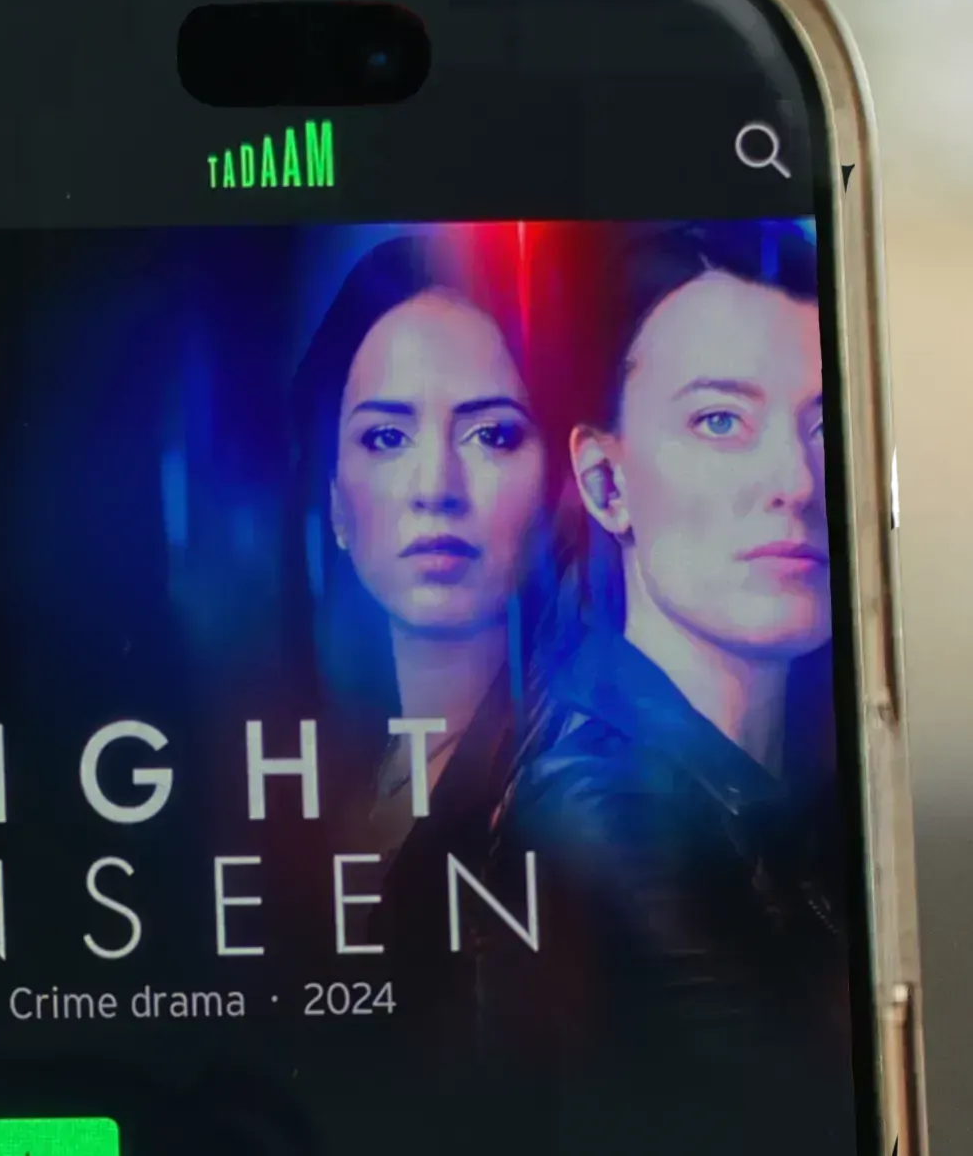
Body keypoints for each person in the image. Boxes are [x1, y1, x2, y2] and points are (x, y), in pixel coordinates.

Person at [519, 241, 844, 982]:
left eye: (827, 427)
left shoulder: (801, 795)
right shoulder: (610, 816)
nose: (796, 481)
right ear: (606, 483)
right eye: (720, 421)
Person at [281, 230, 564, 830]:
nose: (436, 486)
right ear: (335, 500)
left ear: (559, 482)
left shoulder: (584, 789)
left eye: (493, 435)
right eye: (386, 438)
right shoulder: (331, 776)